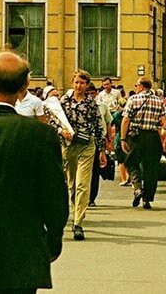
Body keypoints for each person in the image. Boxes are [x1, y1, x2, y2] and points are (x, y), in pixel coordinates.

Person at [0, 50, 69, 293]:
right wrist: (53, 239)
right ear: (24, 87)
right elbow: (54, 195)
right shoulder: (40, 136)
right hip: (21, 253)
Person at [58, 69, 107, 240]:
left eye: (82, 83)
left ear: (87, 85)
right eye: (76, 82)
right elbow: (54, 120)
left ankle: (78, 222)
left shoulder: (91, 103)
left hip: (87, 145)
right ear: (73, 82)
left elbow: (99, 127)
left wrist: (102, 151)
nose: (79, 86)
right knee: (71, 184)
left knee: (82, 184)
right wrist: (61, 131)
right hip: (68, 145)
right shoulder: (64, 100)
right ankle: (74, 210)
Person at [121, 77, 165, 210]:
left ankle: (138, 188)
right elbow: (163, 121)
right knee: (151, 168)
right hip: (153, 137)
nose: (135, 88)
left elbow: (126, 120)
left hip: (136, 136)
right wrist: (163, 139)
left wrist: (123, 138)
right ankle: (147, 199)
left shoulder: (133, 99)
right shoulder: (159, 101)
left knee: (131, 162)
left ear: (141, 86)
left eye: (136, 85)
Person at [87, 82, 114, 206]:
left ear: (96, 93)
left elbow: (108, 123)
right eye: (88, 93)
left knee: (95, 170)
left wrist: (109, 140)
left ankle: (91, 197)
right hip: (83, 140)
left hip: (98, 140)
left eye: (92, 93)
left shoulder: (102, 106)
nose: (90, 96)